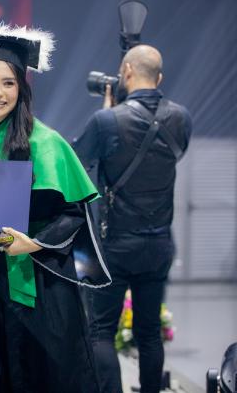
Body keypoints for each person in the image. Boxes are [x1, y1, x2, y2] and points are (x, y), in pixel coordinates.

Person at [0, 22, 110, 392]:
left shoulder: (46, 143)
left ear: (21, 90)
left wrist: (34, 243)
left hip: (39, 285)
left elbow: (73, 214)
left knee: (41, 376)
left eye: (9, 83)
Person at [73, 45, 192, 393]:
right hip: (159, 244)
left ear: (125, 72)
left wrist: (107, 114)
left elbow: (79, 161)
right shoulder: (181, 117)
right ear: (159, 78)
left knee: (101, 331)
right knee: (149, 333)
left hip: (116, 245)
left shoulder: (107, 121)